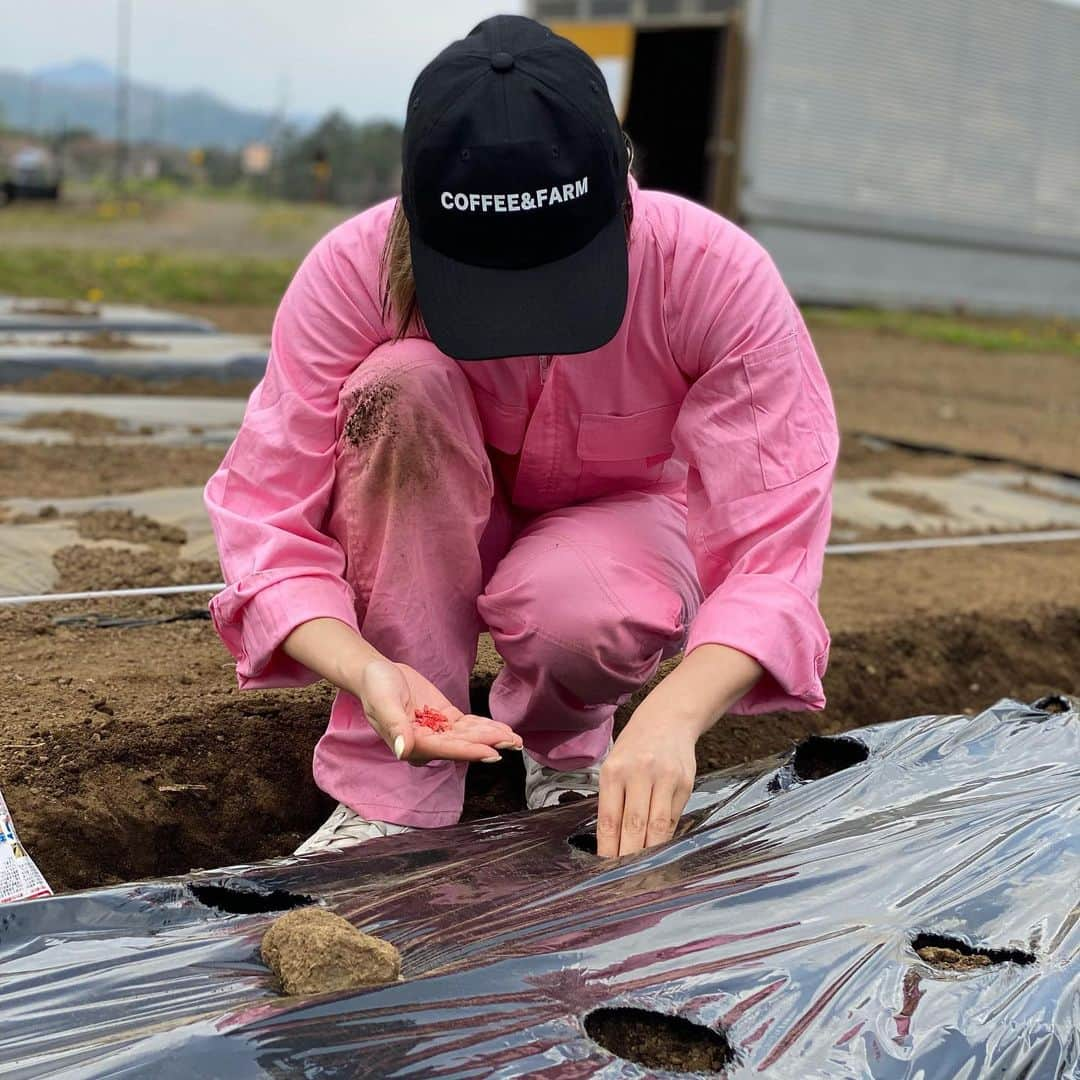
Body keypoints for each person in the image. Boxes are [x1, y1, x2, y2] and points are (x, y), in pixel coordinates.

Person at [205, 15, 838, 860]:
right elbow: (265, 522)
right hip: (418, 514)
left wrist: (672, 715)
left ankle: (562, 739)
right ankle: (392, 782)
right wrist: (368, 672)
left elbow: (772, 541)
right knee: (402, 385)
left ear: (621, 193)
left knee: (590, 613)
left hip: (613, 519)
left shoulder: (712, 275)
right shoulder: (350, 270)